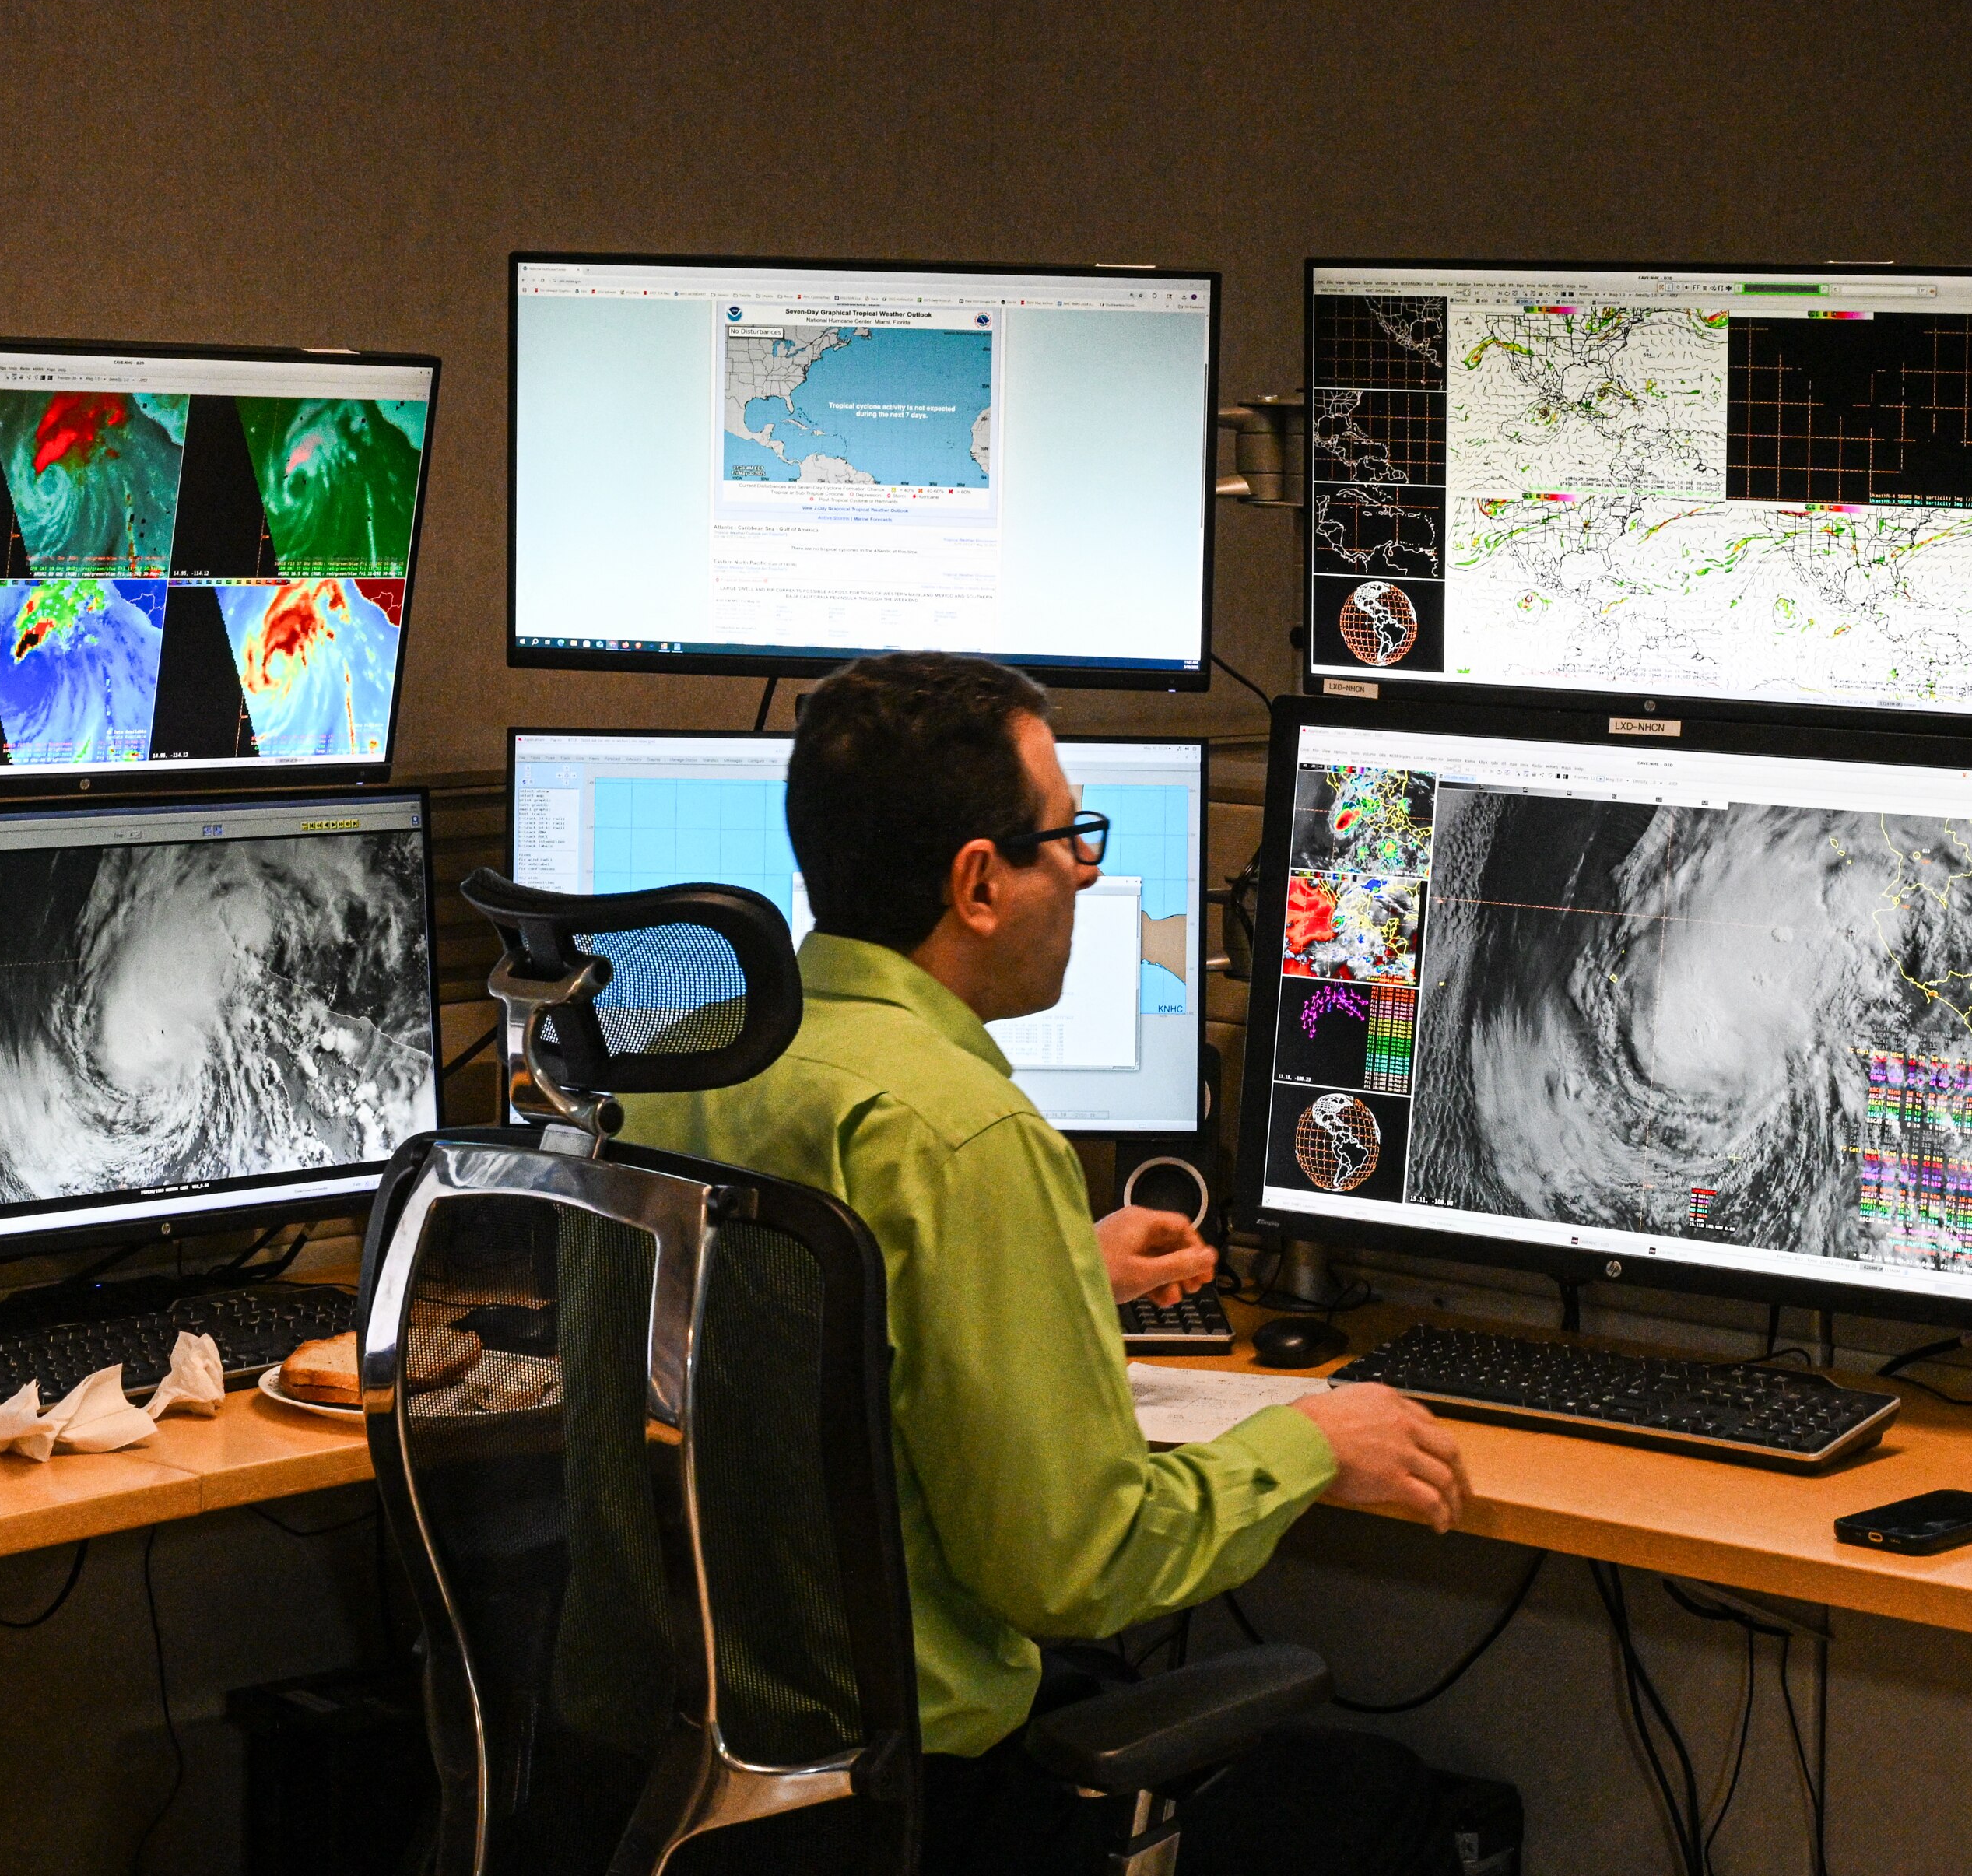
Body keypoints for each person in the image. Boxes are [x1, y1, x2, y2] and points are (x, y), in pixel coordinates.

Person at [619, 651, 1469, 1871]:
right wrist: (1311, 1447)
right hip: (920, 1807)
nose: (1087, 867)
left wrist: (1054, 1266)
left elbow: (800, 1315)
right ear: (978, 883)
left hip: (705, 1793)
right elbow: (1078, 1565)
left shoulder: (682, 1057)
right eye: (1070, 837)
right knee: (1381, 1806)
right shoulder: (960, 1134)